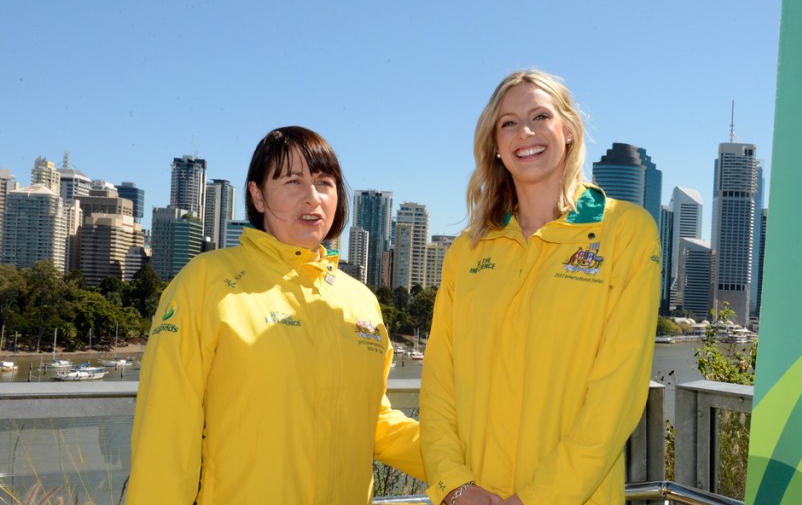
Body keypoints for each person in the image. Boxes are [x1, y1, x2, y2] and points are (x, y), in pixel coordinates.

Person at [127, 126, 424, 504]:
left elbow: (373, 423)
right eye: (292, 181)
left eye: (324, 182)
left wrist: (462, 470)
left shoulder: (360, 301)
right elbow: (165, 431)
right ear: (258, 195)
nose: (312, 198)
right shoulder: (205, 283)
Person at [420, 70, 661, 505]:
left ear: (567, 130)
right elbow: (439, 384)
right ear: (495, 144)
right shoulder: (468, 251)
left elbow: (616, 395)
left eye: (539, 116)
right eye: (508, 123)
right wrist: (453, 485)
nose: (524, 132)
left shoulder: (625, 233)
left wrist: (537, 499)